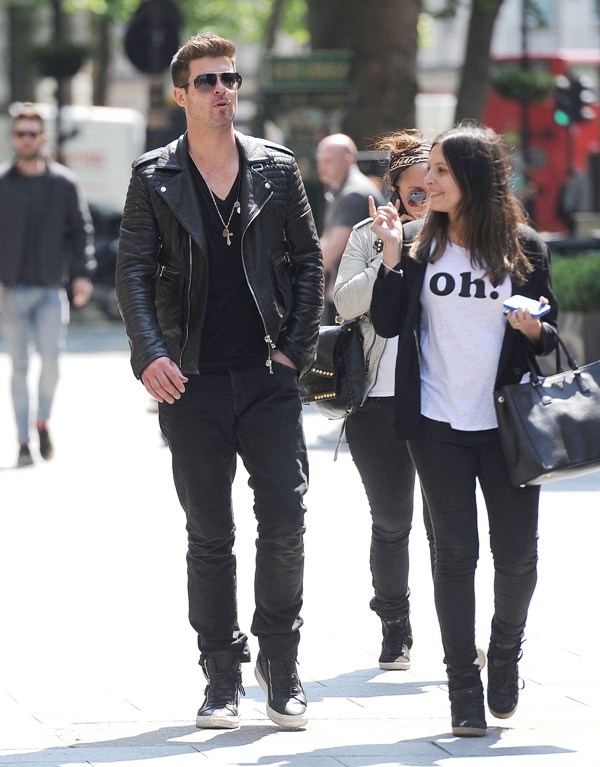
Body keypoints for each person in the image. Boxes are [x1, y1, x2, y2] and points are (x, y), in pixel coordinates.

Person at [115, 33, 323, 731]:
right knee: (209, 533)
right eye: (207, 81)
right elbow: (133, 271)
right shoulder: (154, 176)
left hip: (267, 378)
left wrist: (293, 350)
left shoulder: (276, 168)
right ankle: (222, 672)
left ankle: (281, 663)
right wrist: (150, 352)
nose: (222, 90)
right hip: (192, 382)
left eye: (229, 78)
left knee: (285, 520)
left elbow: (308, 262)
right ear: (181, 94)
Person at [370, 125, 558, 737]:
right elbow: (388, 323)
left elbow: (549, 334)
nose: (427, 181)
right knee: (454, 555)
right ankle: (462, 689)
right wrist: (391, 258)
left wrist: (531, 328)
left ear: (472, 178)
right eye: (429, 170)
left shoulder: (523, 247)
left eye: (441, 171)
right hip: (436, 422)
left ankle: (504, 653)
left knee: (518, 556)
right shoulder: (420, 245)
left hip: (507, 425)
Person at [333, 130, 432, 671]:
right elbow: (344, 303)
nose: (425, 200)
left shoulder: (459, 237)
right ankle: (396, 627)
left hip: (439, 403)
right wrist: (389, 253)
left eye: (434, 189)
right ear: (395, 191)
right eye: (415, 192)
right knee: (392, 521)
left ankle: (459, 631)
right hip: (377, 400)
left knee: (447, 525)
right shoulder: (367, 236)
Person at [0, 103, 95, 467]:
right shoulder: (2, 183)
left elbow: (82, 231)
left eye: (32, 133)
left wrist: (82, 274)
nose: (26, 139)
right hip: (11, 289)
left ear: (43, 137)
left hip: (51, 290)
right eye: (20, 133)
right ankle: (23, 441)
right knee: (19, 365)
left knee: (52, 361)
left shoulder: (64, 183)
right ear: (14, 138)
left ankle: (42, 421)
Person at [316, 133, 385, 325]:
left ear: (347, 159)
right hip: (356, 294)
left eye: (328, 161)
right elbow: (327, 240)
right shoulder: (341, 190)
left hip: (361, 300)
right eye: (320, 161)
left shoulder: (354, 194)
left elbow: (332, 249)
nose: (321, 167)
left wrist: (298, 276)